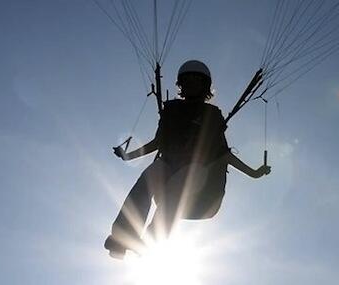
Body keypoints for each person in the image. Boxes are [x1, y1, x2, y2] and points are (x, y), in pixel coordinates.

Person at [105, 60, 271, 259]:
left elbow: (223, 153)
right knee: (153, 171)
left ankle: (152, 239)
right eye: (187, 81)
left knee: (188, 172)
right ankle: (123, 237)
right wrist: (129, 155)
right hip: (169, 180)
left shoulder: (211, 115)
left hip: (203, 187)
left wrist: (253, 173)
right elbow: (158, 142)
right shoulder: (172, 110)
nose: (191, 84)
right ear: (181, 85)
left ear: (205, 86)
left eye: (196, 80)